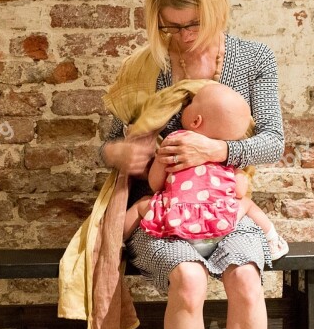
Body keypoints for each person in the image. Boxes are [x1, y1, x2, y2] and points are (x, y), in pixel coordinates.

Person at [101, 0, 287, 329]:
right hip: (162, 210)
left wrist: (218, 150)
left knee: (246, 280)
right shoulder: (149, 67)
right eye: (170, 26)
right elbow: (108, 146)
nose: (181, 37)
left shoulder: (252, 60)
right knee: (187, 280)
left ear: (217, 9)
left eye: (193, 25)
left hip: (227, 207)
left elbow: (273, 142)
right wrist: (123, 153)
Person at [123, 82, 290, 262]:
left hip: (177, 225)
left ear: (196, 121)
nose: (186, 104)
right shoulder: (227, 155)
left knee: (142, 203)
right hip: (218, 226)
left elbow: (155, 184)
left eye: (191, 102)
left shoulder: (175, 142)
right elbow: (240, 191)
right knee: (247, 203)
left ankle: (117, 240)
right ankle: (273, 240)